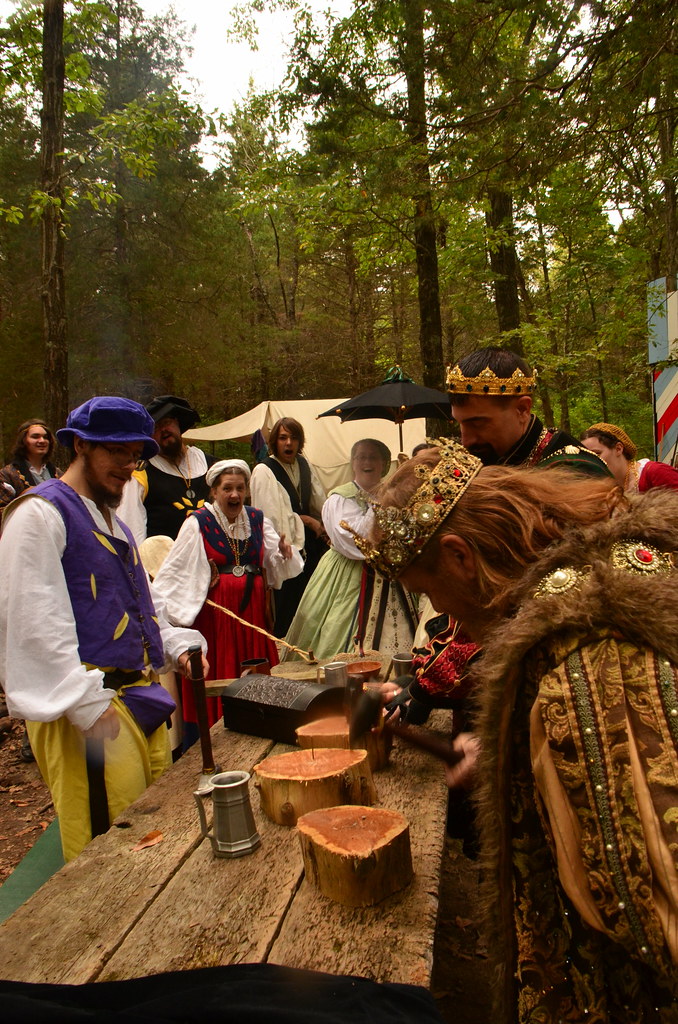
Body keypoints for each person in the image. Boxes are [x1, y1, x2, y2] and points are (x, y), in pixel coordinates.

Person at [350, 438, 678, 1022]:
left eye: (429, 590)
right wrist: (518, 755)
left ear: (459, 557)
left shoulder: (589, 661)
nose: (442, 609)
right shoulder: (594, 577)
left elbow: (653, 911)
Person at [0, 396, 208, 862]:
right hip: (88, 712)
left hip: (136, 699)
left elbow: (141, 601)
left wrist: (175, 644)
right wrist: (84, 702)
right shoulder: (40, 513)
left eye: (135, 453)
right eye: (114, 451)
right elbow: (29, 619)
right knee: (109, 850)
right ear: (78, 446)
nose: (127, 464)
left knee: (150, 832)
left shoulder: (112, 519)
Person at [408, 347, 610, 716]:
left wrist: (428, 685)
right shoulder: (497, 461)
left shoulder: (575, 475)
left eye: (479, 423)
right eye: (461, 424)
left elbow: (523, 602)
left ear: (522, 409)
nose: (466, 439)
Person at [153, 458, 303, 748]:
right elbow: (177, 571)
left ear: (246, 490)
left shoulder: (258, 519)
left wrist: (283, 553)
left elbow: (273, 563)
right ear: (214, 492)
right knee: (224, 667)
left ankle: (263, 721)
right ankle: (219, 733)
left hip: (253, 613)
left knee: (255, 666)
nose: (234, 495)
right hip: (217, 617)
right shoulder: (198, 522)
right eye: (227, 489)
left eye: (240, 488)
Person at [283, 439, 418, 661]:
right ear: (352, 463)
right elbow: (355, 542)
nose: (367, 462)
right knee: (336, 629)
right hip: (348, 573)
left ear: (384, 463)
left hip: (390, 574)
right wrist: (382, 506)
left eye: (373, 457)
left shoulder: (393, 493)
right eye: (361, 457)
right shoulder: (339, 498)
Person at [249, 417, 327, 636]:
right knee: (287, 612)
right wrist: (306, 521)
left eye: (294, 438)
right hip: (284, 552)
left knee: (312, 608)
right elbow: (270, 521)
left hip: (310, 549)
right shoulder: (264, 471)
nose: (289, 443)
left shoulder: (304, 463)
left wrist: (327, 522)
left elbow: (318, 500)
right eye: (283, 438)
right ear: (275, 441)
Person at [118, 394, 215, 544]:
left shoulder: (210, 465)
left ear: (177, 423)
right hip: (164, 565)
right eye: (156, 427)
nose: (163, 430)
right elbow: (131, 531)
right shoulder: (140, 474)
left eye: (167, 422)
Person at [581, 421, 678, 492]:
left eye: (597, 454)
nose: (592, 461)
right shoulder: (603, 488)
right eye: (588, 456)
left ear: (618, 448)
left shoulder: (655, 472)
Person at [0, 419, 59, 509]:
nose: (42, 440)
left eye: (46, 437)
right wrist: (24, 498)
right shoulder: (7, 475)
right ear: (23, 441)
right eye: (35, 437)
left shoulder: (58, 474)